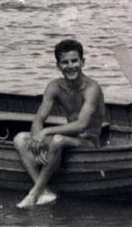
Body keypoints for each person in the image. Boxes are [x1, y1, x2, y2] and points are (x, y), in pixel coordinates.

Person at [14, 39, 105, 208]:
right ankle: (45, 192)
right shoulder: (54, 86)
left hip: (88, 142)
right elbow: (38, 119)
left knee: (57, 139)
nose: (70, 66)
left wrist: (45, 133)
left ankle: (33, 194)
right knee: (20, 139)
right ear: (58, 66)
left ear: (82, 62)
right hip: (67, 138)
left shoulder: (92, 88)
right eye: (65, 62)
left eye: (74, 61)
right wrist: (36, 141)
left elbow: (82, 125)